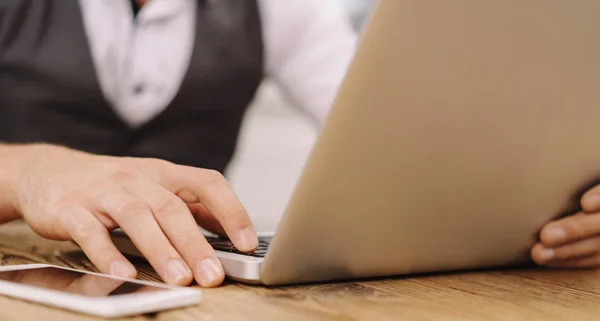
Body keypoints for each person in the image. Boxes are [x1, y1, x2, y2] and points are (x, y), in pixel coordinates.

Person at [0, 1, 596, 289]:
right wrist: (30, 172)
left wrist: (562, 195)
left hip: (191, 296)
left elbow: (406, 133)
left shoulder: (280, 6)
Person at [0, 0, 357, 288]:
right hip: (29, 272)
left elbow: (383, 123)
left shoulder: (283, 8)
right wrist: (27, 174)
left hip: (200, 286)